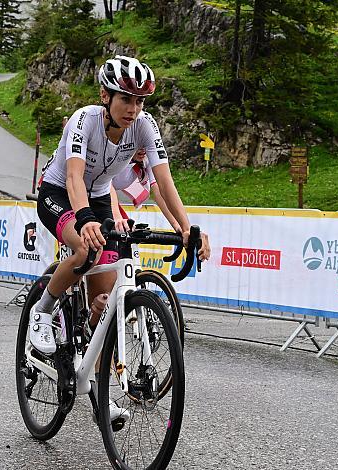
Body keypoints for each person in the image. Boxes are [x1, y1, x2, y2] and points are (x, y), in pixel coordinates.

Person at [31, 56, 211, 421]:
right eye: (126, 99)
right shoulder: (84, 120)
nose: (134, 109)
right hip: (59, 191)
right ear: (105, 97)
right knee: (85, 247)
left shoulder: (145, 126)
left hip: (97, 196)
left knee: (103, 300)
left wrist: (188, 229)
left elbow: (164, 181)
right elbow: (73, 177)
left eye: (140, 101)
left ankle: (94, 385)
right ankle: (42, 310)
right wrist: (84, 220)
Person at [110, 149, 181, 233]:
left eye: (145, 144)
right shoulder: (116, 153)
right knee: (116, 229)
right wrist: (118, 218)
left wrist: (178, 226)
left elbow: (159, 191)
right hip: (96, 192)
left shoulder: (148, 156)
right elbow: (106, 185)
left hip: (107, 194)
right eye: (140, 144)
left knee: (126, 231)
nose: (143, 149)